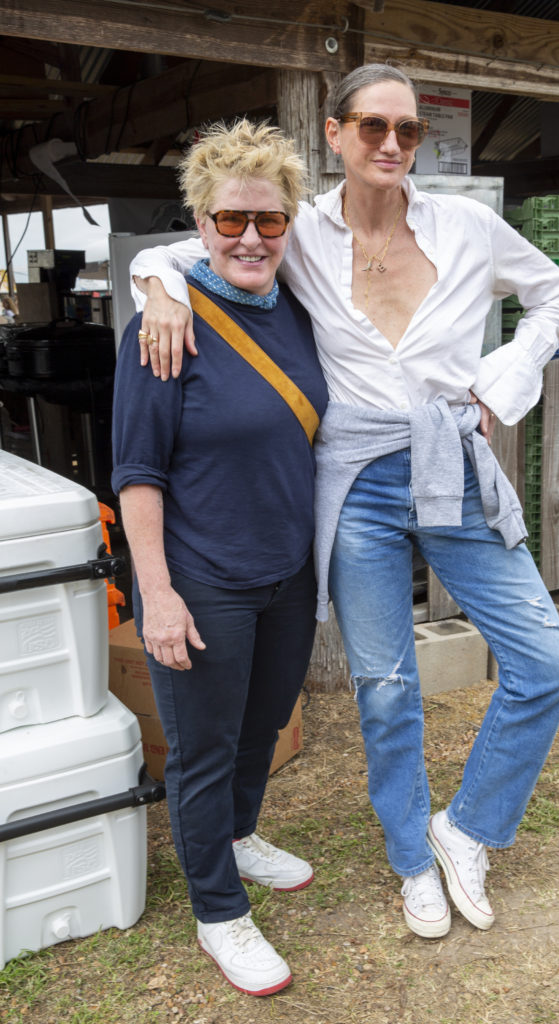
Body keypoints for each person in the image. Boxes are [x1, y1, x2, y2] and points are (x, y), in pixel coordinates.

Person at [130, 64, 559, 942]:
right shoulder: (300, 234)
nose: (390, 145)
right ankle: (412, 856)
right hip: (360, 486)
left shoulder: (467, 227)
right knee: (383, 687)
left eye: (407, 131)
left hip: (449, 460)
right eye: (372, 126)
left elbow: (554, 293)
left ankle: (467, 827)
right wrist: (154, 285)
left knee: (546, 662)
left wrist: (503, 377)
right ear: (333, 134)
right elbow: (191, 247)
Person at [112, 119, 328, 996]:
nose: (248, 237)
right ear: (198, 225)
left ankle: (239, 836)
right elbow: (136, 474)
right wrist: (156, 595)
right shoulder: (164, 329)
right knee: (201, 747)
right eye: (229, 220)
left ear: (289, 227)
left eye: (268, 222)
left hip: (286, 572)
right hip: (202, 577)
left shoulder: (301, 316)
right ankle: (218, 911)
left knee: (261, 724)